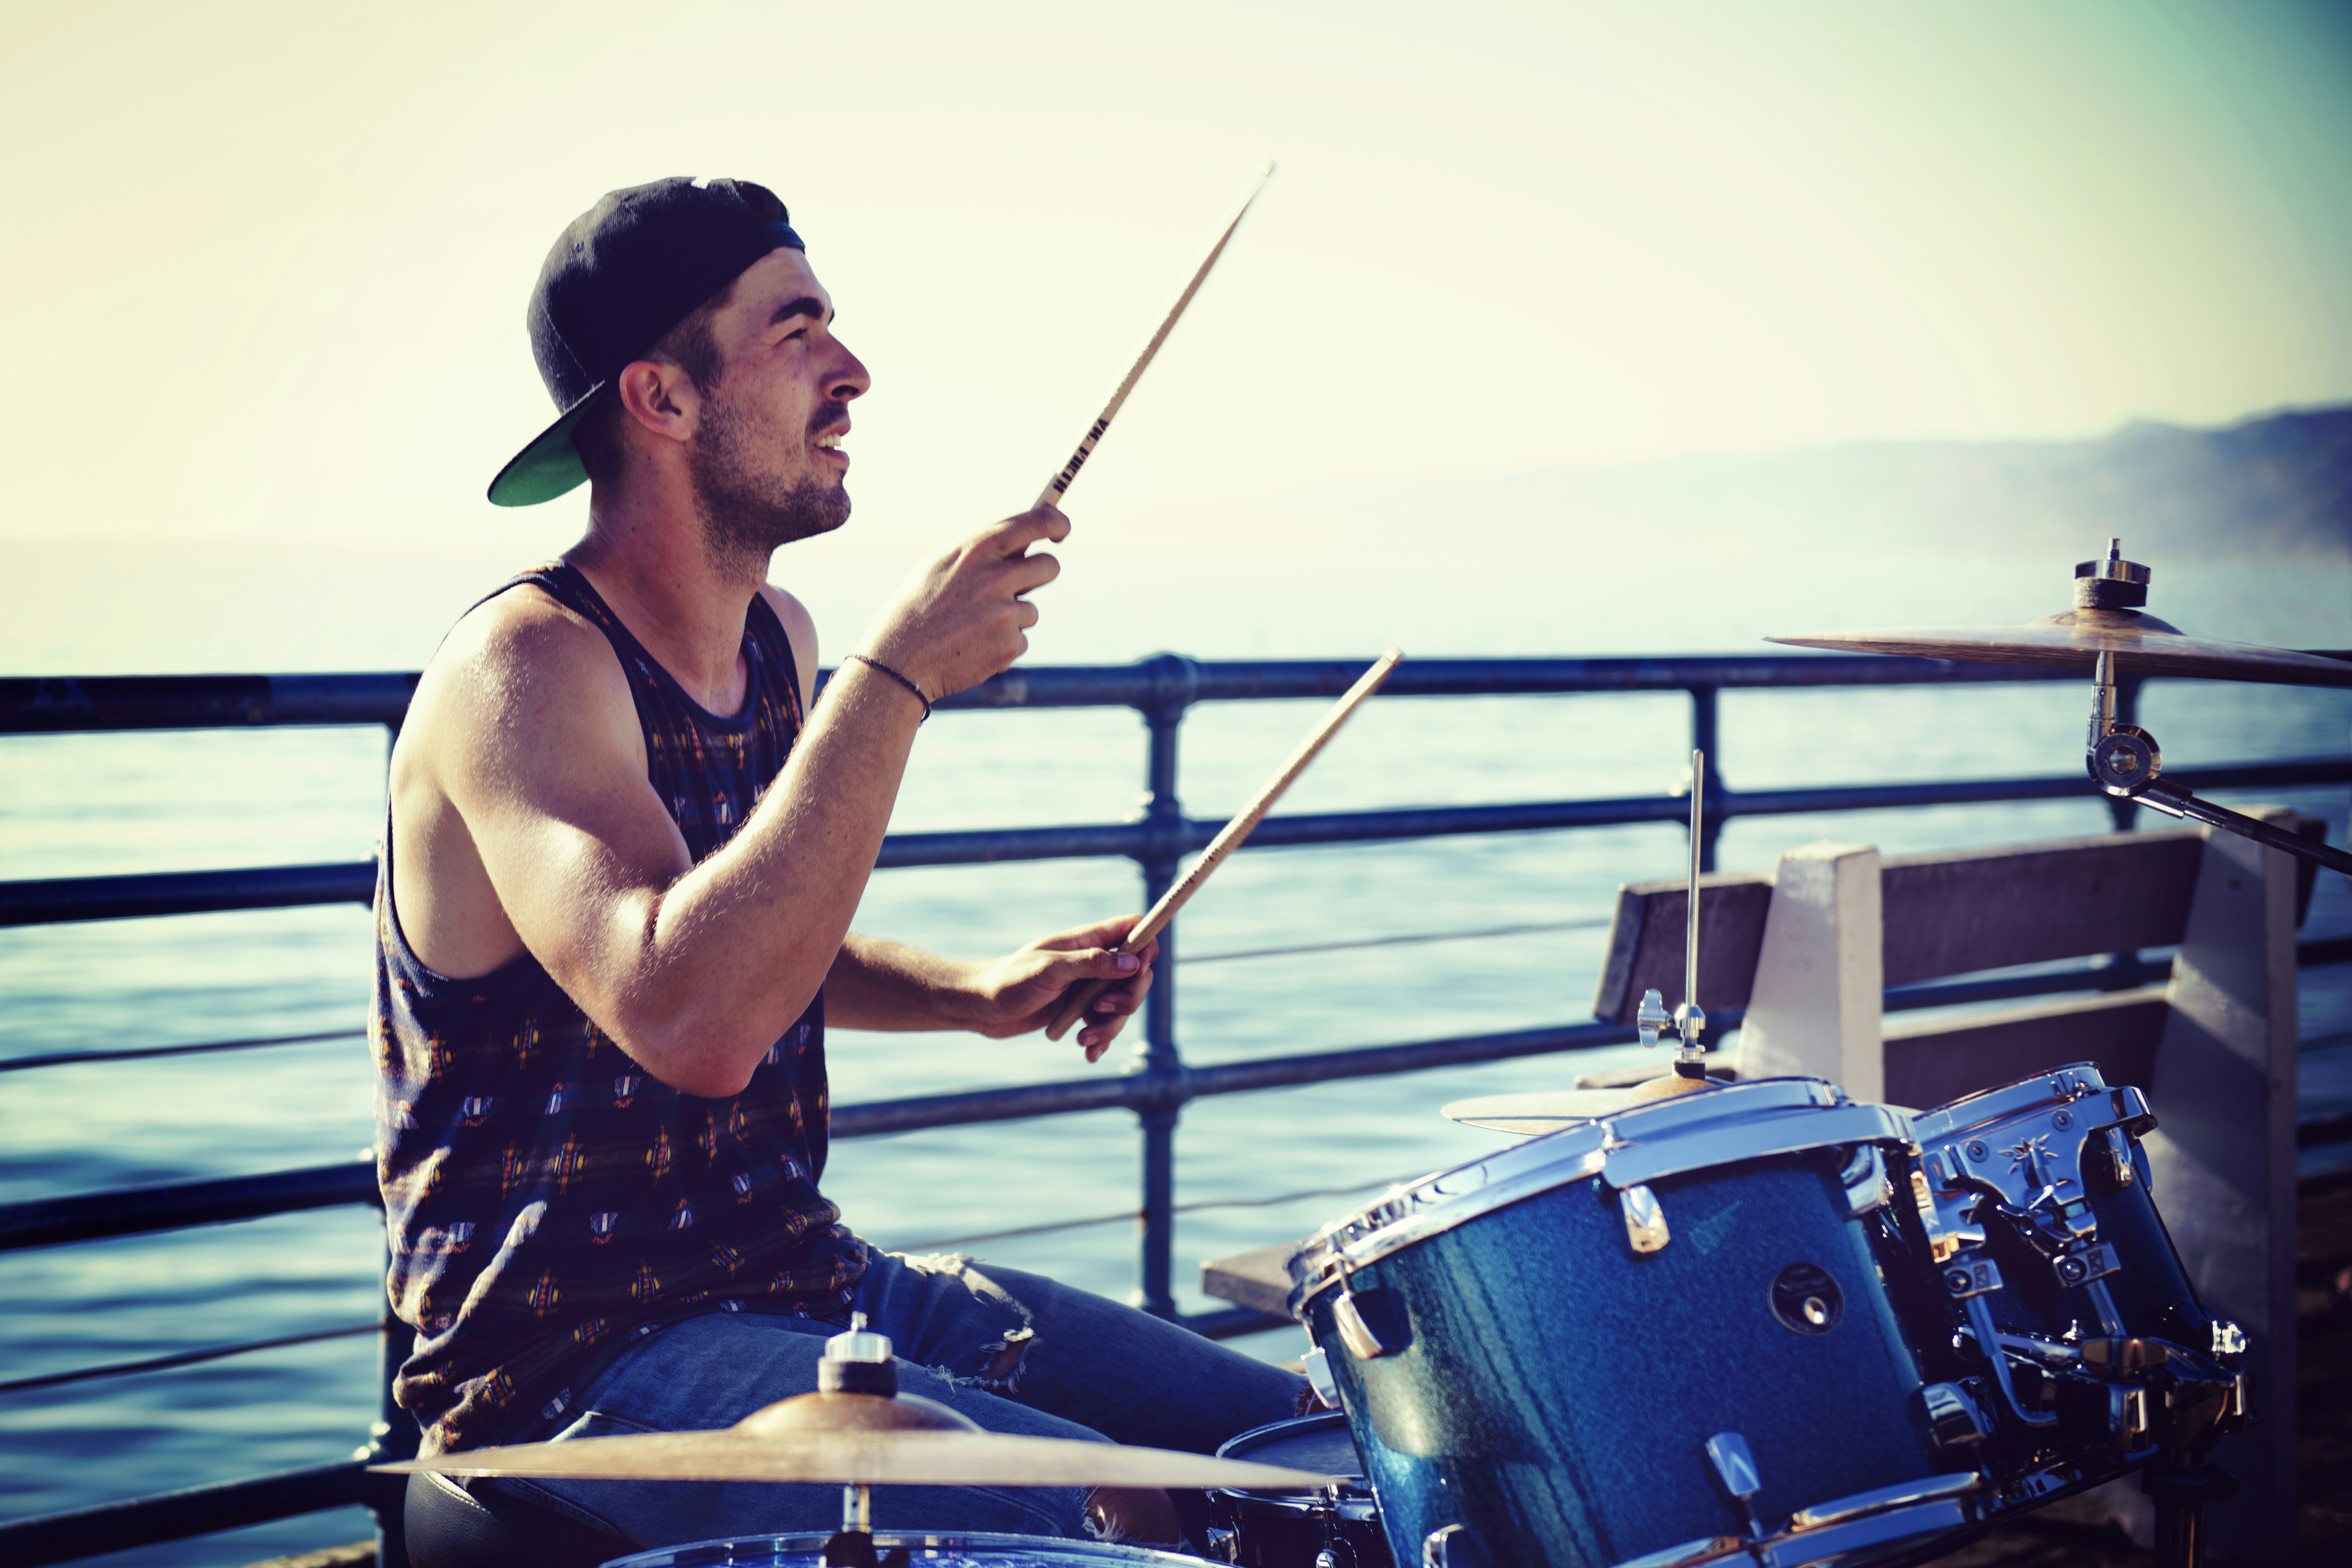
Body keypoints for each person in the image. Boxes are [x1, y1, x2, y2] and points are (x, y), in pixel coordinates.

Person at [372, 177, 1308, 1552]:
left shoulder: (776, 640)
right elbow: (689, 1013)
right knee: (1120, 1511)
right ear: (661, 398)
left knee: (1292, 1451)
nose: (852, 369)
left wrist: (971, 993)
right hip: (571, 1373)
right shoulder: (526, 668)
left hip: (807, 1281)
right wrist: (895, 680)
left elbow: (746, 930)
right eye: (795, 329)